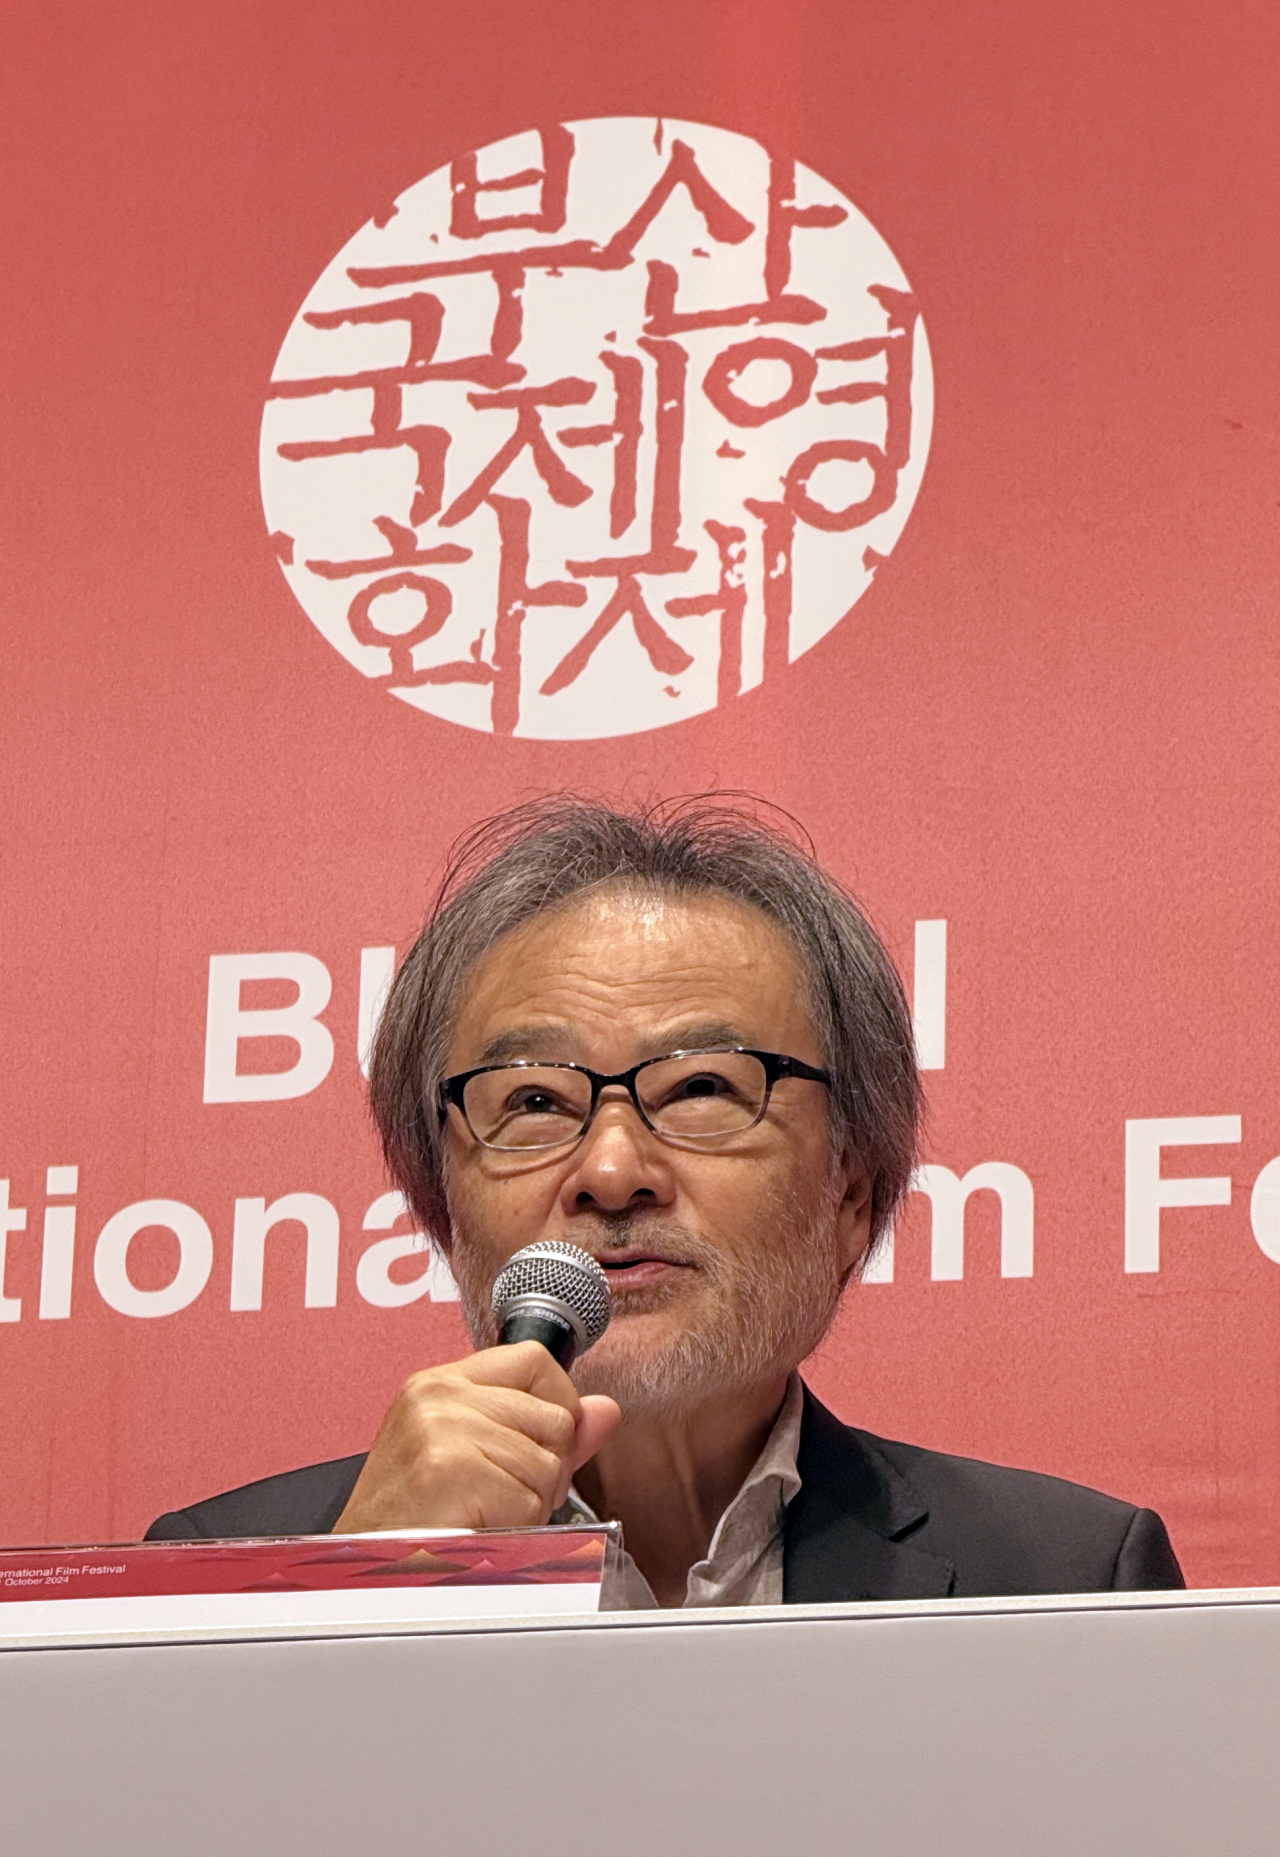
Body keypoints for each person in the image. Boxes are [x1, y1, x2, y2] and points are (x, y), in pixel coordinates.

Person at [148, 796, 1183, 1605]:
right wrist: (355, 1601)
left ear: (849, 1202)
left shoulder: (1060, 1573)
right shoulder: (226, 1575)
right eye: (535, 1101)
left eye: (700, 1090)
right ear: (441, 1207)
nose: (609, 1170)